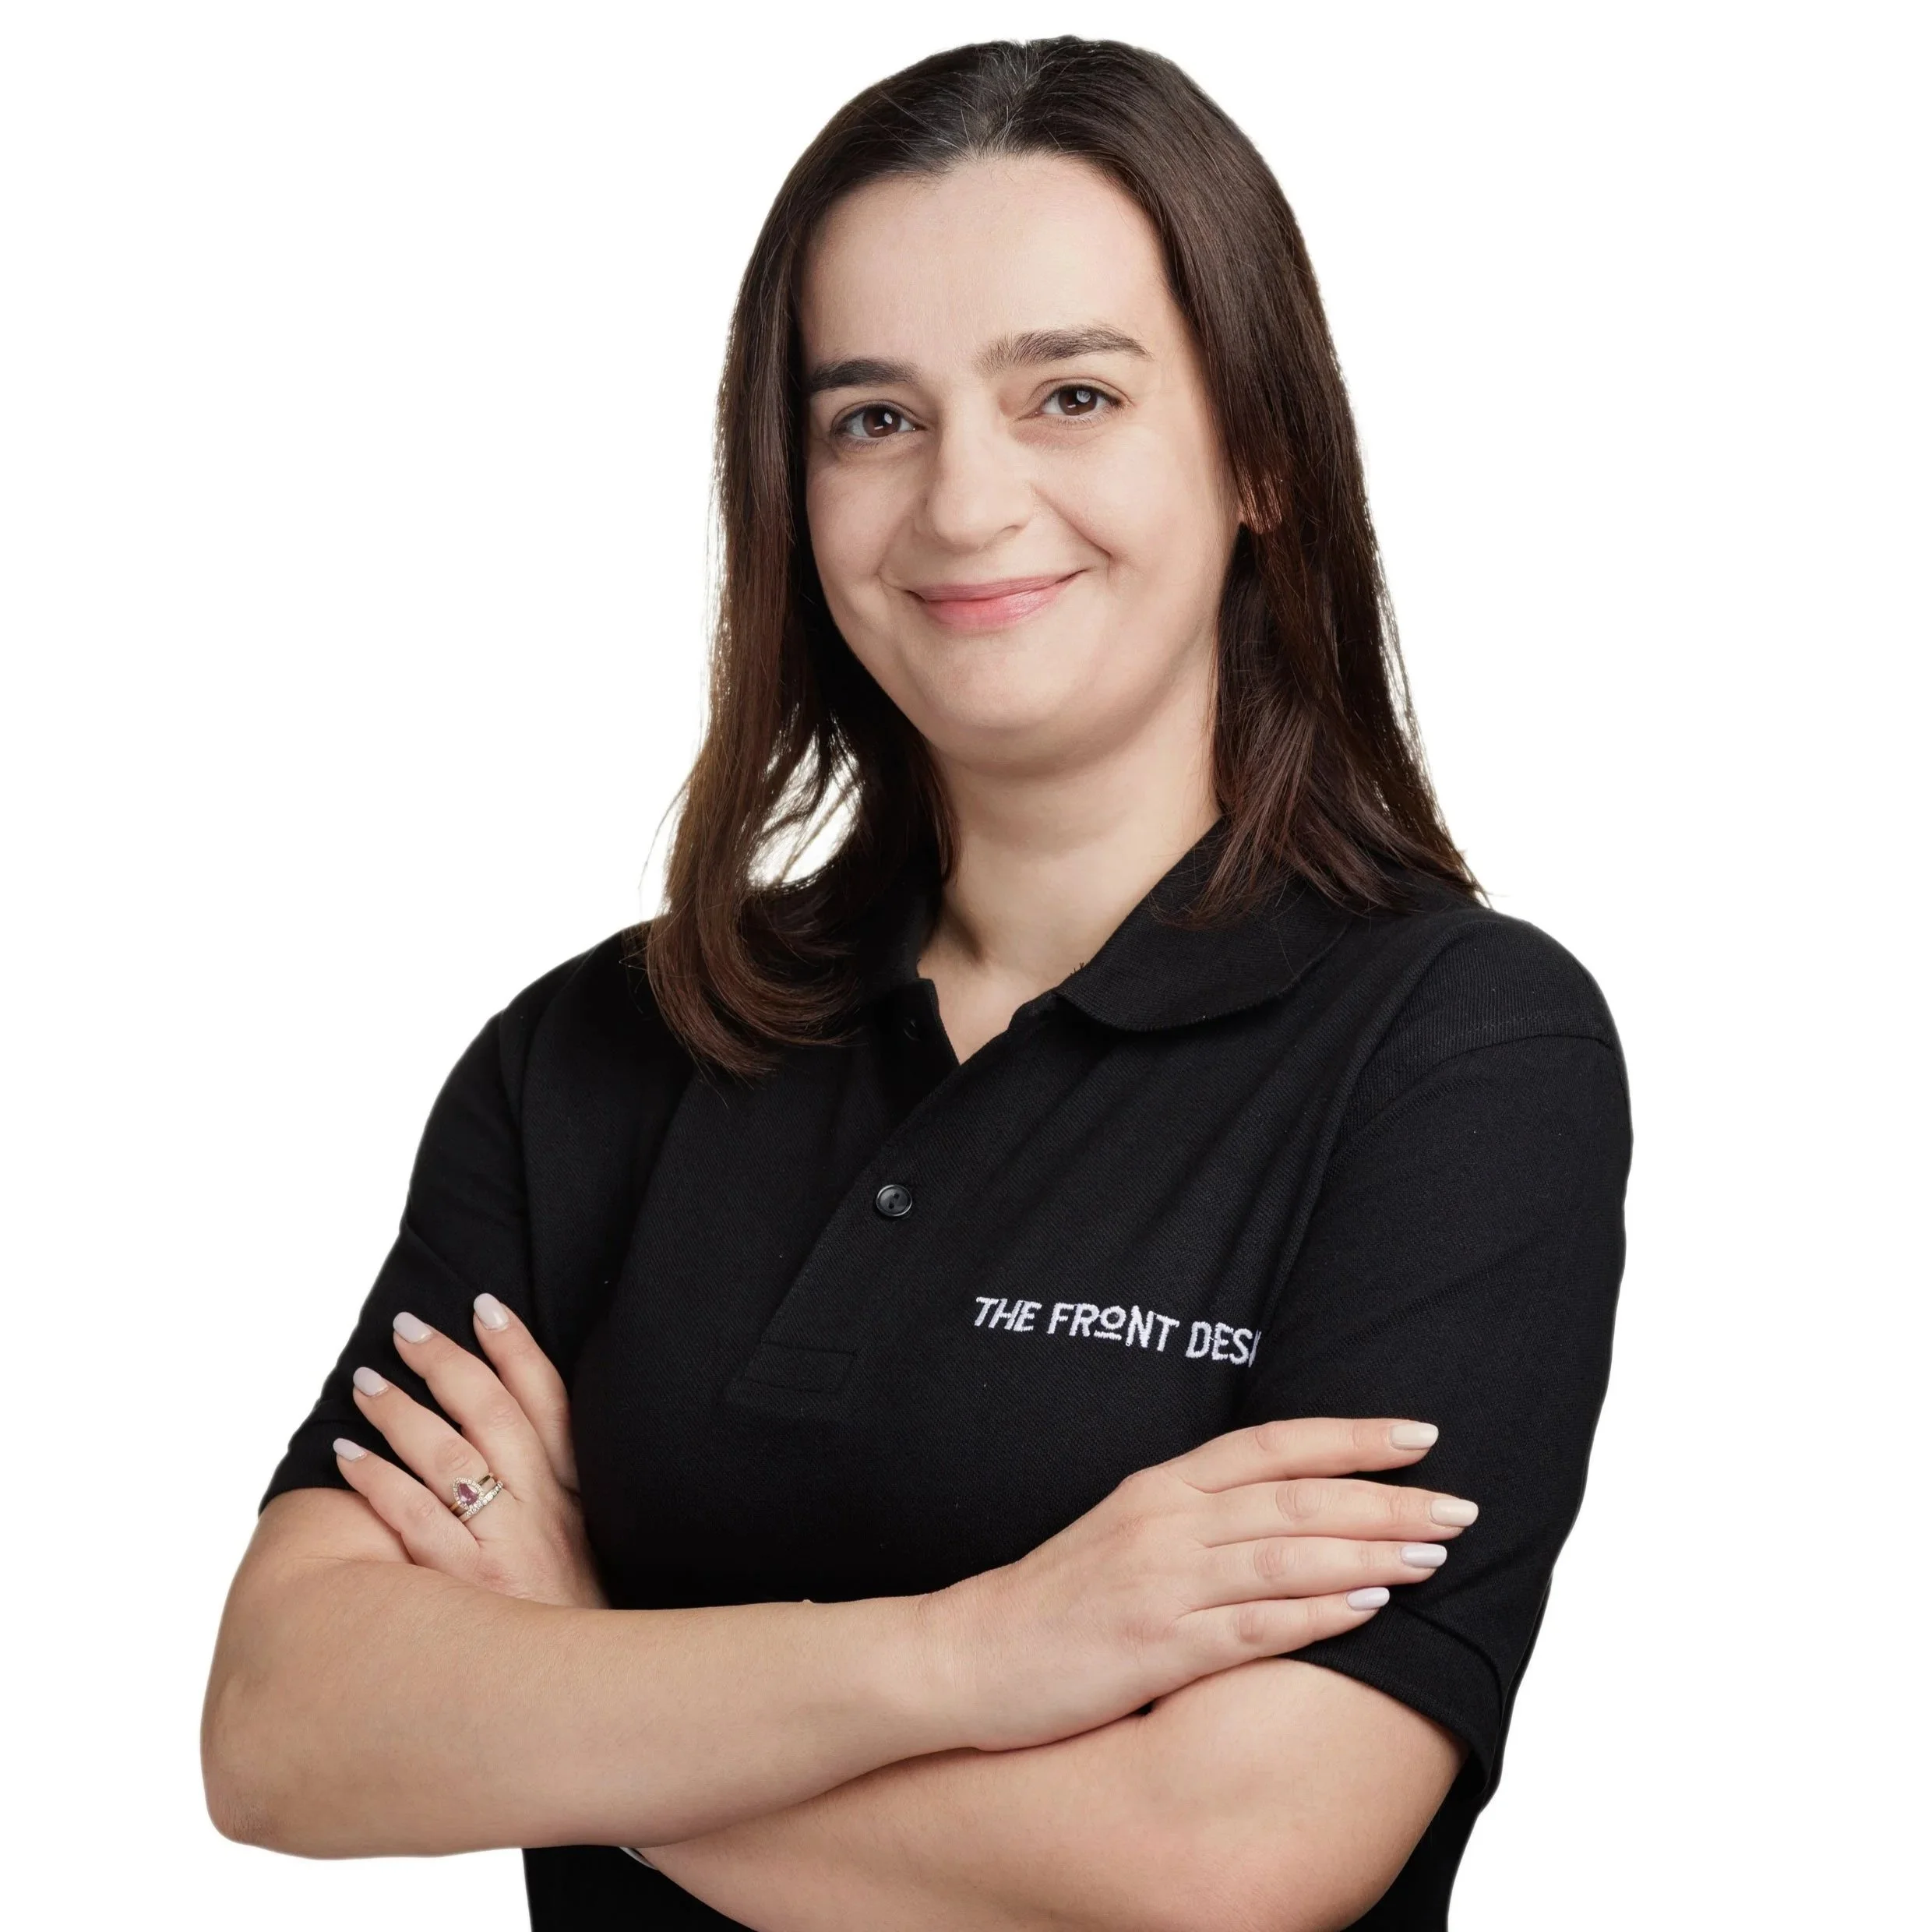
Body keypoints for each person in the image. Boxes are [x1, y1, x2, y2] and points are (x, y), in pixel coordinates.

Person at [202, 35, 1630, 1932]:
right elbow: (284, 1728)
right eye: (873, 418)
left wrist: (572, 1690)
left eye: (1071, 395)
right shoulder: (597, 1053)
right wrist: (978, 1652)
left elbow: (1225, 1857)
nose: (964, 504)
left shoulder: (1458, 1052)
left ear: (1262, 455)